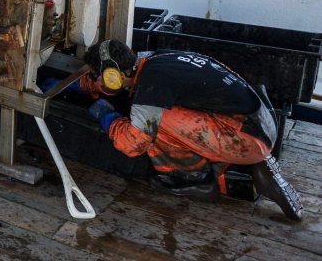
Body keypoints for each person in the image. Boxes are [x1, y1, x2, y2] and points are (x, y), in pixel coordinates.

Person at [46, 40, 303, 220]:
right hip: (262, 121)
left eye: (97, 75)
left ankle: (195, 180)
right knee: (154, 116)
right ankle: (258, 163)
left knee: (151, 127)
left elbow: (131, 143)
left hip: (245, 138)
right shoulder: (152, 59)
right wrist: (80, 87)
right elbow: (115, 83)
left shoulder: (152, 88)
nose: (96, 79)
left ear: (113, 74)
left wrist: (107, 116)